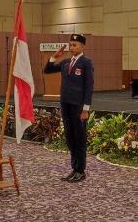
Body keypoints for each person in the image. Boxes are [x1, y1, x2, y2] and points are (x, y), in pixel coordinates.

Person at [43, 34, 94, 183]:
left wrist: (86, 109)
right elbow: (47, 70)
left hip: (78, 107)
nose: (72, 48)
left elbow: (89, 87)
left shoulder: (86, 63)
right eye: (70, 45)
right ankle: (74, 168)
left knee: (80, 138)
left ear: (82, 46)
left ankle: (80, 171)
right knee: (70, 137)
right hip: (65, 104)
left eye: (75, 45)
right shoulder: (66, 62)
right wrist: (54, 56)